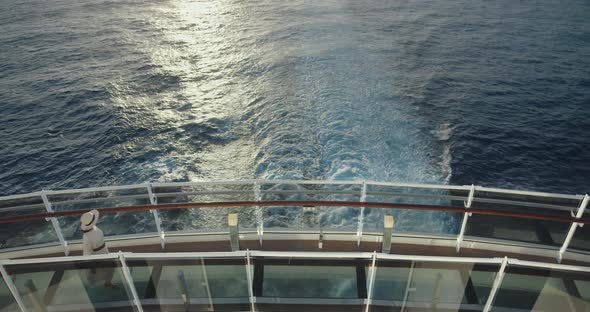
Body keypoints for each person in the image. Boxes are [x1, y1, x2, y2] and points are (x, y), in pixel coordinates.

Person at [81, 209, 118, 288]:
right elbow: (87, 252)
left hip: (104, 250)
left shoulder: (93, 228)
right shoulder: (87, 237)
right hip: (98, 254)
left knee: (110, 268)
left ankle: (108, 282)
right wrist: (90, 264)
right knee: (104, 269)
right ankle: (98, 284)